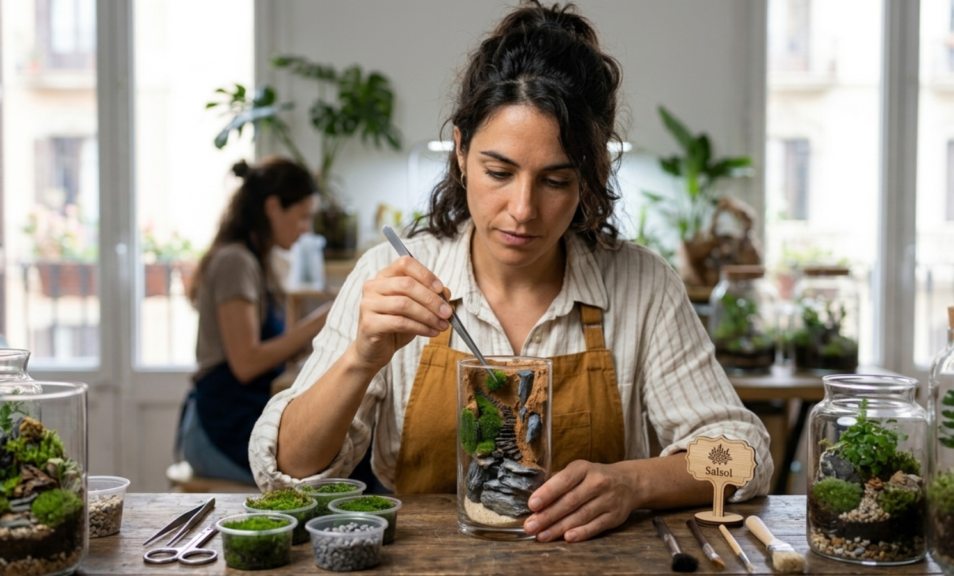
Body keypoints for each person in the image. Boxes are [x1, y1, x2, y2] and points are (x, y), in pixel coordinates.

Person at [250, 1, 772, 541]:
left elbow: (742, 456)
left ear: (591, 177)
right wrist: (362, 358)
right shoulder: (392, 270)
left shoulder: (643, 286)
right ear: (459, 150)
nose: (523, 209)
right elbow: (286, 472)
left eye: (555, 181)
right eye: (499, 171)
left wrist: (635, 483)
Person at [179, 156, 330, 484]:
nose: (305, 230)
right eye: (303, 217)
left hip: (230, 416)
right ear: (274, 207)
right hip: (218, 427)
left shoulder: (254, 260)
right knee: (324, 473)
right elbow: (246, 363)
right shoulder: (236, 261)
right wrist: (326, 316)